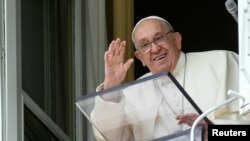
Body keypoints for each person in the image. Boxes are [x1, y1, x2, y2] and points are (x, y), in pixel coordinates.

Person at [90, 16, 249, 141]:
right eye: (145, 45)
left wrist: (214, 132)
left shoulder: (223, 62)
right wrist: (110, 86)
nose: (154, 48)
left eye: (159, 38)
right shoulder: (133, 93)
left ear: (177, 40)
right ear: (140, 58)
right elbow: (111, 138)